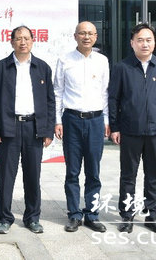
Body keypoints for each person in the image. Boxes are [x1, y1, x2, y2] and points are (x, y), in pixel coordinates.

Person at [108, 22, 156, 234]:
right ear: (132, 43)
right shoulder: (122, 67)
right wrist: (115, 127)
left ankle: (152, 215)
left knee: (153, 174)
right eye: (140, 40)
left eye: (148, 40)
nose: (144, 44)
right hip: (130, 130)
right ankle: (127, 215)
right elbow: (113, 99)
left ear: (154, 43)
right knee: (128, 175)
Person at [0, 25, 55, 235]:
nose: (22, 42)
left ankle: (32, 218)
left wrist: (48, 131)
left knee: (33, 176)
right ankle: (4, 218)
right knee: (6, 176)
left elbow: (50, 101)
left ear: (33, 41)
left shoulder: (42, 67)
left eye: (26, 38)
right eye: (18, 38)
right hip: (9, 128)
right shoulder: (0, 68)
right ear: (12, 42)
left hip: (34, 128)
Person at [53, 21, 109, 233]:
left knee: (93, 171)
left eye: (90, 33)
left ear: (96, 37)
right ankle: (74, 214)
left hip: (96, 120)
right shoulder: (65, 60)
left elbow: (105, 92)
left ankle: (92, 215)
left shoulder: (102, 61)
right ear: (75, 36)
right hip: (72, 120)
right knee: (72, 171)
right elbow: (58, 91)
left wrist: (106, 121)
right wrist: (57, 121)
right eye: (82, 33)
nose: (86, 37)